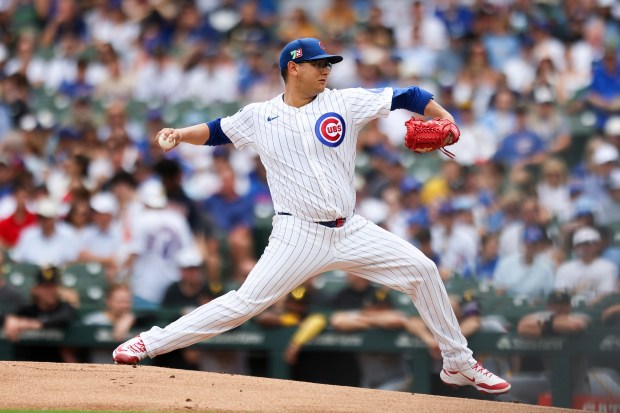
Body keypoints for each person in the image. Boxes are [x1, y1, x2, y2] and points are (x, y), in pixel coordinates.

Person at [112, 37, 510, 394]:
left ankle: (457, 362)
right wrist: (179, 134)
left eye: (328, 64)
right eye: (318, 63)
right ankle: (150, 342)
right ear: (293, 68)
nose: (325, 70)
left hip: (350, 228)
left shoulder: (343, 102)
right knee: (243, 304)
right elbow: (216, 130)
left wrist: (448, 120)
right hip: (297, 234)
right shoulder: (260, 115)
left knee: (423, 271)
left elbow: (410, 94)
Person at [3, 266, 78, 362]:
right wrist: (10, 319)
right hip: (29, 366)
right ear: (35, 289)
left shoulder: (64, 307)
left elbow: (65, 317)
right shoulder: (29, 310)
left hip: (59, 366)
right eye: (45, 288)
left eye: (53, 287)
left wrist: (34, 323)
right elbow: (9, 314)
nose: (50, 292)